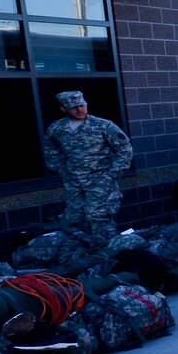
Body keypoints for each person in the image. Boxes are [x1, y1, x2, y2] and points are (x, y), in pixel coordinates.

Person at [42, 90, 133, 247]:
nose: (80, 110)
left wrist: (111, 175)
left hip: (100, 180)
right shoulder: (56, 129)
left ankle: (107, 253)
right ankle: (85, 254)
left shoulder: (103, 125)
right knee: (75, 217)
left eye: (82, 105)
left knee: (98, 216)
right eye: (74, 107)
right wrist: (63, 172)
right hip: (74, 181)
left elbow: (125, 150)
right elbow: (52, 152)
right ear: (64, 109)